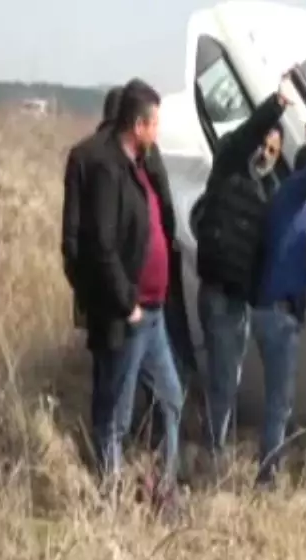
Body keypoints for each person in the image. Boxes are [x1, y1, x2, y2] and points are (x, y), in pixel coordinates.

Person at [74, 78, 186, 510]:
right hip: (133, 315)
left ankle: (164, 490)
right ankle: (113, 498)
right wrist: (128, 304)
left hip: (155, 312)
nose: (158, 131)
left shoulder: (142, 165)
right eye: (154, 123)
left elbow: (160, 224)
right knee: (116, 416)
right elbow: (100, 247)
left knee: (171, 397)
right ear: (138, 125)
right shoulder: (107, 170)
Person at [192, 71, 294, 470]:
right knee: (223, 381)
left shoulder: (268, 194)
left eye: (273, 149)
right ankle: (214, 458)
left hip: (240, 298)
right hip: (219, 293)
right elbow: (245, 137)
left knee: (228, 378)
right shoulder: (230, 165)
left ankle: (215, 449)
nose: (266, 154)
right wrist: (278, 104)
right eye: (263, 145)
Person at [250, 125, 306, 487]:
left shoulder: (292, 207)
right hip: (279, 317)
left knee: (278, 401)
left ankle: (269, 469)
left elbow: (285, 258)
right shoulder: (291, 195)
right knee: (279, 403)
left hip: (275, 309)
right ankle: (268, 478)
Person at [62, 86, 123, 328]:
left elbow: (70, 229)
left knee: (100, 353)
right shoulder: (130, 154)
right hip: (123, 278)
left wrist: (78, 281)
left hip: (88, 276)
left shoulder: (80, 154)